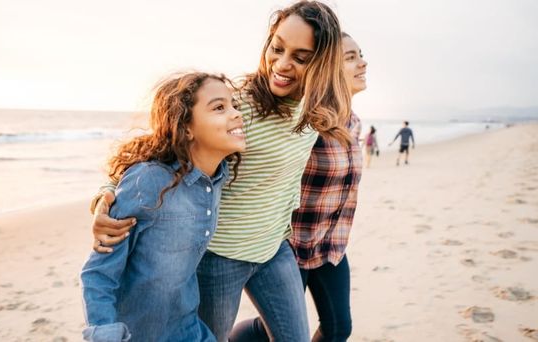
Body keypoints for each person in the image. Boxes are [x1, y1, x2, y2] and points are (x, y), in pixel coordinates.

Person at [89, 2, 352, 341]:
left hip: (275, 250)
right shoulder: (238, 105)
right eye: (277, 48)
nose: (282, 64)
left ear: (322, 64)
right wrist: (104, 196)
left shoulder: (315, 110)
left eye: (300, 57)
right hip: (220, 258)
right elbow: (162, 145)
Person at [80, 72, 246, 342]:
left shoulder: (217, 178)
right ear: (186, 127)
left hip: (189, 330)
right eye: (219, 107)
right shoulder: (148, 180)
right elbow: (98, 273)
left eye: (234, 105)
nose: (236, 114)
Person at [229, 32, 366, 342]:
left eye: (361, 54)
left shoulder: (353, 121)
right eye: (351, 57)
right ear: (326, 69)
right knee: (272, 333)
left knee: (338, 328)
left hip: (330, 244)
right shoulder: (304, 121)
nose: (363, 62)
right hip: (290, 245)